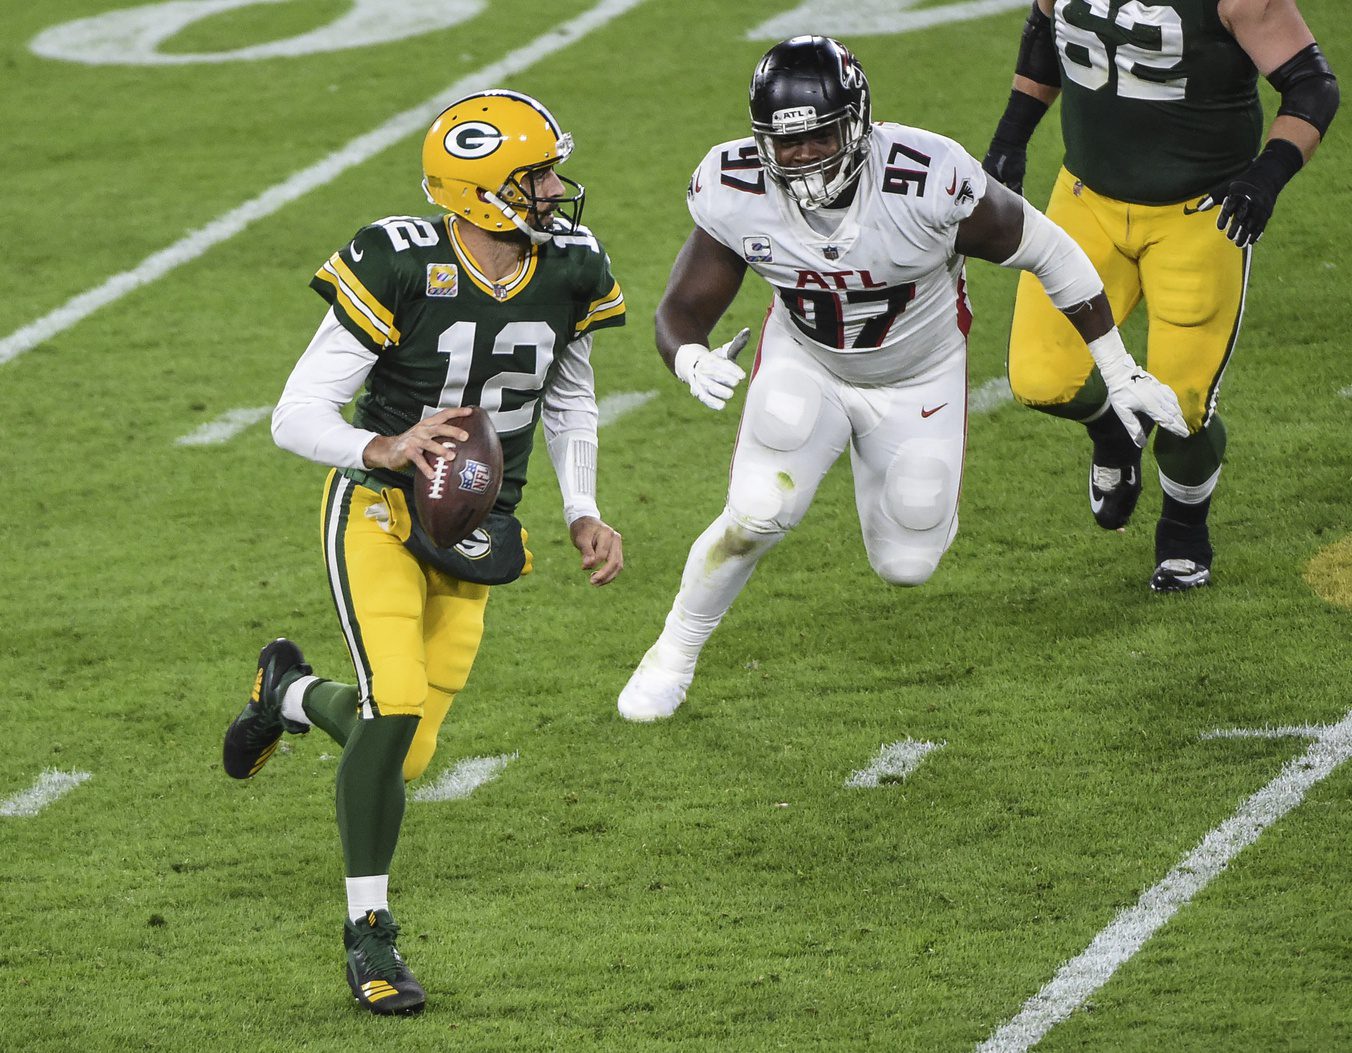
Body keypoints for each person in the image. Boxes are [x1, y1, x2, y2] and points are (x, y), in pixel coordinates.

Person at [616, 35, 1186, 722]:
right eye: (783, 142)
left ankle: (1065, 436)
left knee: (906, 562)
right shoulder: (735, 187)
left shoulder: (925, 178)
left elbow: (1050, 250)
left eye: (818, 137)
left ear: (856, 123)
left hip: (920, 375)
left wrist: (1117, 369)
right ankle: (672, 654)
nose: (798, 158)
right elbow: (682, 307)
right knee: (757, 513)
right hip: (809, 362)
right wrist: (690, 356)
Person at [221, 89, 626, 1015]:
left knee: (399, 753)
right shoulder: (398, 262)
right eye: (537, 177)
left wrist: (583, 509)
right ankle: (371, 934)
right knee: (394, 702)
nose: (557, 190)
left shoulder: (569, 266)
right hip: (378, 512)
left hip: (478, 524)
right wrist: (386, 447)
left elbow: (569, 398)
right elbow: (293, 416)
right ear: (482, 191)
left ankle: (284, 691)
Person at [982, 0, 1338, 591]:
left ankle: (1182, 528)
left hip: (1199, 213)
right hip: (1086, 199)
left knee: (1183, 412)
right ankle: (1114, 431)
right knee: (1042, 379)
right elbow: (1048, 28)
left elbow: (1311, 86)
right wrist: (1010, 138)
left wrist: (1268, 174)